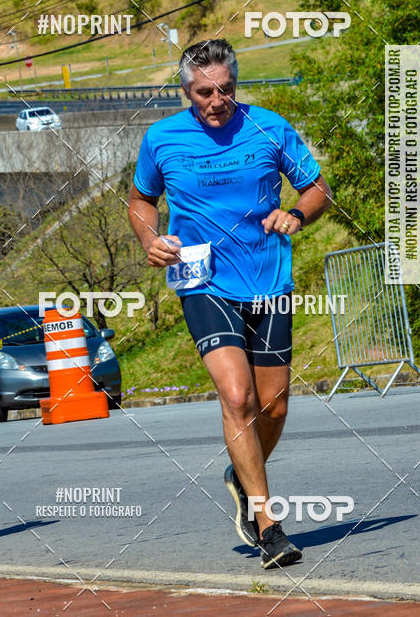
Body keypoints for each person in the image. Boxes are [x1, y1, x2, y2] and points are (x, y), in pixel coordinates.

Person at [128, 39, 332, 569]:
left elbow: (316, 189)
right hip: (201, 280)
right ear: (185, 91)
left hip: (267, 279)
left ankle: (241, 473)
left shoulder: (268, 126)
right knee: (237, 397)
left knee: (275, 405)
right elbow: (141, 202)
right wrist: (150, 239)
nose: (217, 101)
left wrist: (296, 215)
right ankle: (268, 524)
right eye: (204, 92)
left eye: (226, 89)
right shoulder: (161, 138)